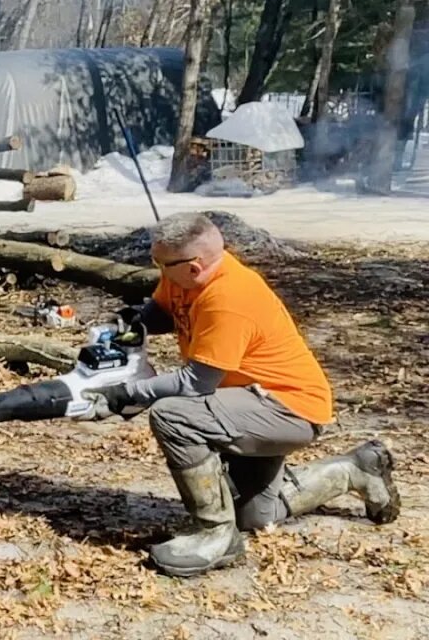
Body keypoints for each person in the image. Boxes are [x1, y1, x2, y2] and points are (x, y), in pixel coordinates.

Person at [82, 212, 400, 578]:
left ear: (194, 266)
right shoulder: (184, 277)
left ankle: (215, 534)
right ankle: (352, 470)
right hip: (244, 399)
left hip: (287, 409)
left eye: (160, 263)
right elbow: (165, 310)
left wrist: (124, 393)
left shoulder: (230, 296)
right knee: (256, 516)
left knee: (173, 415)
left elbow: (195, 384)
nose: (157, 269)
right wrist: (133, 320)